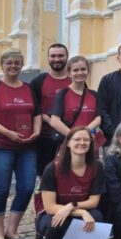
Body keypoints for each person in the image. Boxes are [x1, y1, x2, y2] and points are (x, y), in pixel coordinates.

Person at [0, 48, 41, 239]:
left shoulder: (28, 88)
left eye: (17, 62)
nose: (13, 66)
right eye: (9, 62)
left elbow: (37, 113)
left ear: (22, 65)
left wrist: (37, 131)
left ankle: (11, 231)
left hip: (27, 147)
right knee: (2, 188)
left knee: (27, 187)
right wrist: (7, 132)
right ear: (2, 65)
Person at [38, 127, 105, 239]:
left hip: (74, 209)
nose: (82, 143)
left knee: (97, 217)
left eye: (86, 140)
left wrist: (71, 206)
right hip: (52, 214)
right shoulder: (52, 168)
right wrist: (81, 212)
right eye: (77, 139)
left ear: (91, 143)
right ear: (68, 143)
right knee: (59, 221)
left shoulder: (96, 167)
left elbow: (94, 201)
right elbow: (50, 207)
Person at [29, 43, 71, 176]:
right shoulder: (38, 81)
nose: (56, 59)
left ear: (67, 56)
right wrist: (48, 119)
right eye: (53, 56)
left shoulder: (74, 80)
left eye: (60, 56)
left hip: (69, 137)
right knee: (44, 177)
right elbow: (32, 107)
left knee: (67, 175)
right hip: (44, 138)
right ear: (48, 57)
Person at [49, 56, 104, 154]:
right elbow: (54, 121)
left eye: (83, 69)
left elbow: (98, 119)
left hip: (89, 143)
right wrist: (75, 136)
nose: (80, 73)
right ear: (69, 73)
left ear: (88, 71)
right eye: (75, 70)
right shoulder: (63, 93)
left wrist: (85, 132)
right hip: (70, 144)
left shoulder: (94, 95)